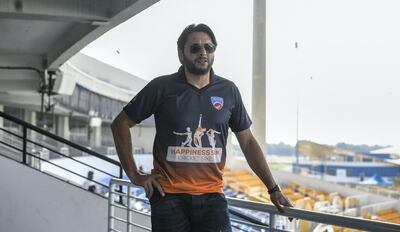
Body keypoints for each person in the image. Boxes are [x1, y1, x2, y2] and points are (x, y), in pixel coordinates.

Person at [111, 23, 293, 232]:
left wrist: (273, 188)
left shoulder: (228, 91)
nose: (203, 52)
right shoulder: (161, 87)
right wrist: (135, 175)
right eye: (195, 48)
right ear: (181, 54)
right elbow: (120, 124)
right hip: (168, 197)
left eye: (209, 47)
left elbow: (248, 141)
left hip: (212, 198)